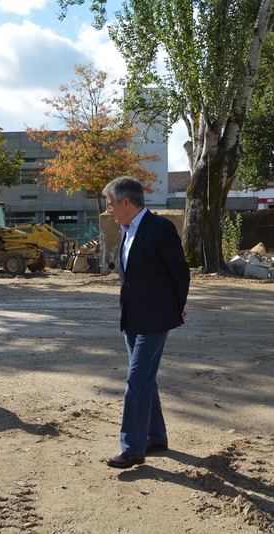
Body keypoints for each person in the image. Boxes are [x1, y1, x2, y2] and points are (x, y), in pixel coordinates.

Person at [102, 176, 190, 469]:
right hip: (133, 319)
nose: (109, 210)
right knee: (145, 380)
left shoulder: (160, 228)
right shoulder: (126, 231)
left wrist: (178, 309)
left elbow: (180, 272)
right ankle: (156, 436)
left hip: (155, 318)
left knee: (136, 380)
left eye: (111, 204)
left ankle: (132, 449)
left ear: (126, 202)